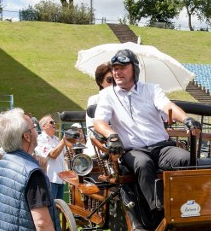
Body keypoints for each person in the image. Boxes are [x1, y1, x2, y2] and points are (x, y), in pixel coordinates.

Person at [93, 49, 202, 213]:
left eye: (122, 67)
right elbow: (99, 121)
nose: (117, 72)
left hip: (161, 147)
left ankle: (188, 205)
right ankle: (157, 211)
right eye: (115, 68)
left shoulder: (151, 89)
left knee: (186, 159)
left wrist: (186, 119)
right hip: (133, 151)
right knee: (143, 164)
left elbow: (168, 106)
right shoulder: (107, 95)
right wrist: (111, 136)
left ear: (134, 69)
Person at [34, 115, 71, 201]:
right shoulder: (39, 139)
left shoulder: (57, 139)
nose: (54, 124)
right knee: (51, 208)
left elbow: (66, 155)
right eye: (51, 122)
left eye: (54, 122)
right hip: (50, 179)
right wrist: (64, 140)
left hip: (61, 179)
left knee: (59, 208)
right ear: (44, 126)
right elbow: (53, 155)